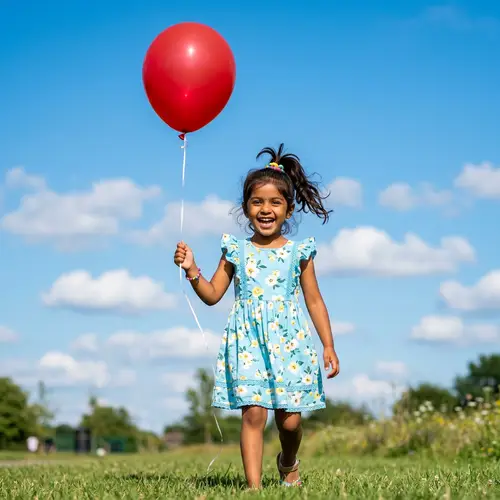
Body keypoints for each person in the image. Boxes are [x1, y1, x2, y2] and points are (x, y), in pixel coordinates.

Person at [174, 143, 340, 489]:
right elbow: (212, 295)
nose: (266, 209)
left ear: (289, 210)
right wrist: (191, 270)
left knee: (290, 422)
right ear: (246, 208)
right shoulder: (235, 250)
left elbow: (314, 301)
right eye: (257, 202)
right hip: (248, 343)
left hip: (289, 344)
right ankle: (254, 489)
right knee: (253, 414)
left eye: (275, 202)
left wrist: (328, 344)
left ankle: (288, 461)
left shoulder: (299, 252)